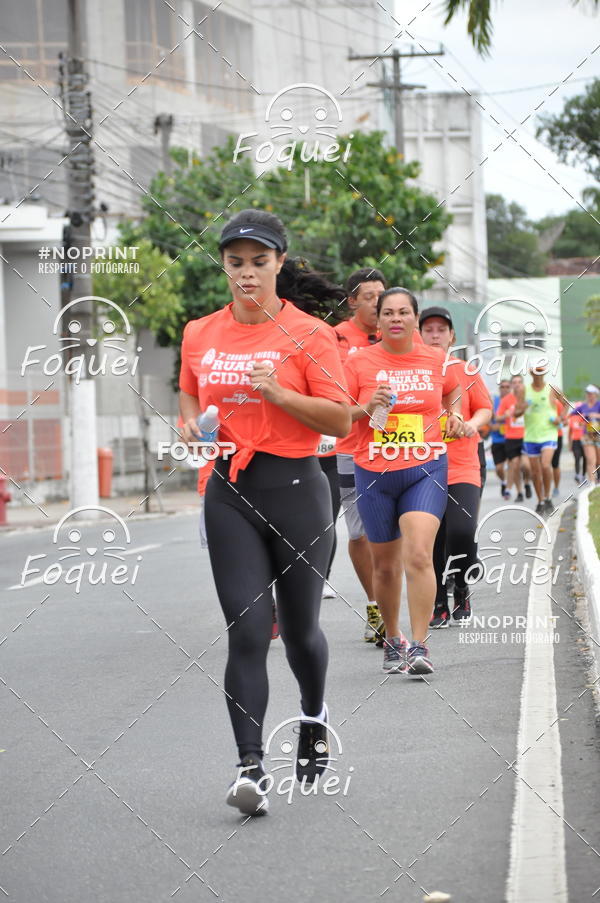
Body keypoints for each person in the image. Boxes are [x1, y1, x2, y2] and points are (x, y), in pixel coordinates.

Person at [179, 209, 351, 816]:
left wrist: (279, 393)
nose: (246, 273)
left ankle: (313, 714)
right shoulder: (200, 332)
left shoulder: (311, 335)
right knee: (248, 630)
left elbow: (339, 419)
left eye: (258, 261)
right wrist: (193, 427)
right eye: (235, 262)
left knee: (301, 630)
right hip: (230, 489)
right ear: (223, 265)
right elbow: (190, 394)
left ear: (280, 262)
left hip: (299, 489)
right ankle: (250, 768)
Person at [344, 288, 463, 676]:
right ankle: (393, 638)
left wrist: (455, 415)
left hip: (425, 467)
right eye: (388, 313)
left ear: (415, 319)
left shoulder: (435, 360)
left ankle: (420, 645)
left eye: (403, 312)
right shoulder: (358, 362)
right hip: (374, 470)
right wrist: (367, 406)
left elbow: (453, 390)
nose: (396, 319)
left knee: (417, 554)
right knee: (385, 566)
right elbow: (338, 413)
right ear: (377, 322)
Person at [419, 307, 492, 627]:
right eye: (429, 329)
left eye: (441, 330)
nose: (435, 335)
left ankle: (461, 586)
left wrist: (471, 424)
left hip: (463, 464)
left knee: (462, 532)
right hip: (422, 466)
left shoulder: (466, 371)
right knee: (432, 537)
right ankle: (438, 602)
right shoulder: (412, 374)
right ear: (418, 335)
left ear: (452, 337)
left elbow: (485, 409)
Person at [334, 268, 385, 641]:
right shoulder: (336, 338)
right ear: (352, 300)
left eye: (382, 295)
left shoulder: (399, 335)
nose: (378, 303)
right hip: (351, 449)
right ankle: (375, 604)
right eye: (369, 296)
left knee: (397, 531)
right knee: (360, 533)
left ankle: (393, 603)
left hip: (397, 448)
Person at [513, 360, 561, 515]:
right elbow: (516, 413)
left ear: (545, 372)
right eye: (536, 371)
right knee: (535, 472)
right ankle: (540, 500)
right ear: (531, 372)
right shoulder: (524, 390)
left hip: (549, 433)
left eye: (541, 371)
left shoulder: (552, 388)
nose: (539, 374)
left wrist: (562, 418)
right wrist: (523, 409)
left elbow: (566, 404)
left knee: (546, 465)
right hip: (531, 436)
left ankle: (547, 497)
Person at [496, 374, 533, 503]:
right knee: (515, 465)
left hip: (526, 437)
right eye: (514, 382)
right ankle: (520, 492)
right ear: (512, 385)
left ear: (523, 384)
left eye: (519, 382)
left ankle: (527, 482)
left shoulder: (528, 399)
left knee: (526, 466)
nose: (517, 384)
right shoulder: (506, 400)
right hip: (511, 437)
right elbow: (497, 417)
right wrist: (505, 415)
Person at [573, 385, 600, 484]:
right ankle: (592, 484)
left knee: (598, 461)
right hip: (587, 435)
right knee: (590, 460)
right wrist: (581, 419)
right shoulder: (582, 406)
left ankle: (598, 479)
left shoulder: (599, 405)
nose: (589, 395)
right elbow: (572, 415)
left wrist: (595, 415)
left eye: (591, 393)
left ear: (596, 394)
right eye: (587, 393)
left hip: (598, 435)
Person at [490, 380, 511, 499]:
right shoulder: (494, 401)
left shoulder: (514, 401)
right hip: (497, 439)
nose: (505, 389)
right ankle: (504, 482)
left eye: (507, 387)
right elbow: (488, 415)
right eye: (502, 387)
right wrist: (491, 426)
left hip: (512, 438)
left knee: (515, 464)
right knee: (499, 468)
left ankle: (514, 487)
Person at [551, 399, 567, 498]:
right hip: (542, 437)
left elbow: (565, 421)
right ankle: (545, 486)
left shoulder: (557, 404)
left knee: (555, 464)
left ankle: (556, 487)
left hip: (557, 436)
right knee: (543, 464)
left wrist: (560, 423)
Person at [568, 403, 586, 484]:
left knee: (585, 458)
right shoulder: (572, 418)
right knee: (577, 458)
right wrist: (570, 444)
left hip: (585, 441)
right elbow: (570, 432)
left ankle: (583, 475)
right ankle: (577, 475)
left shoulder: (586, 416)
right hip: (576, 441)